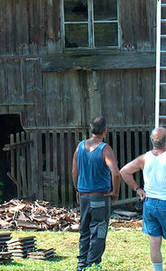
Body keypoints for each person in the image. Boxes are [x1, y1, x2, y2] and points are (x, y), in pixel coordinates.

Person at [120, 127, 166, 271]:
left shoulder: (144, 158)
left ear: (152, 141)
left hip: (150, 203)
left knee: (154, 242)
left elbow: (124, 171)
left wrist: (139, 190)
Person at [71, 116, 121, 271]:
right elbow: (116, 173)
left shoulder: (80, 147)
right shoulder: (105, 148)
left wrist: (78, 189)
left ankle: (81, 264)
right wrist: (115, 192)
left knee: (84, 230)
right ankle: (92, 265)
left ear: (91, 129)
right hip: (100, 196)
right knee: (98, 231)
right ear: (105, 131)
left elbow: (74, 171)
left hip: (84, 196)